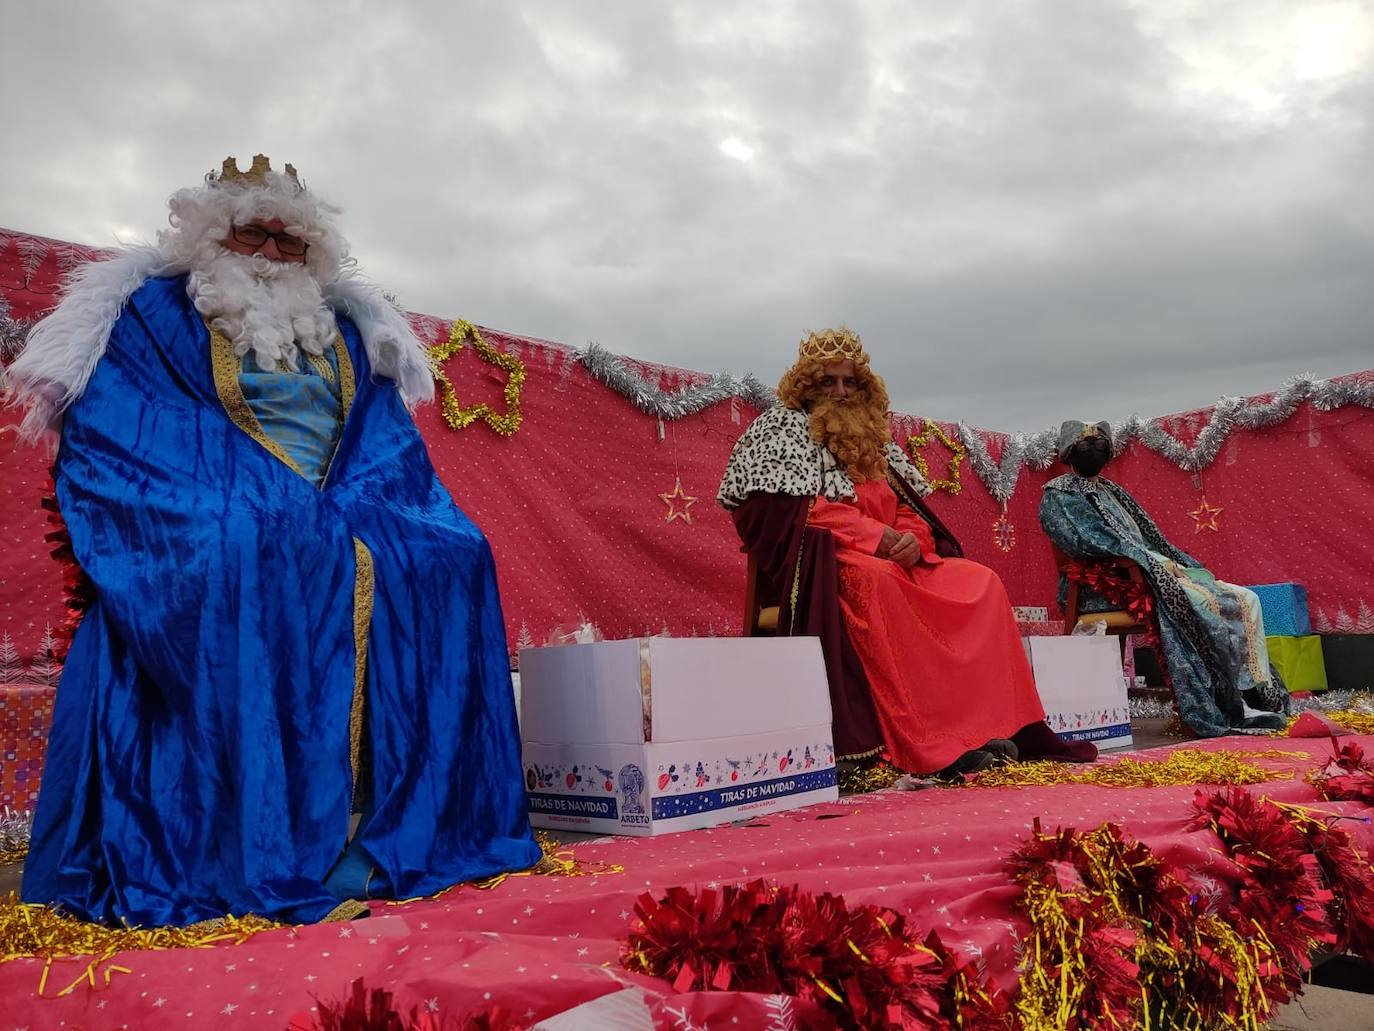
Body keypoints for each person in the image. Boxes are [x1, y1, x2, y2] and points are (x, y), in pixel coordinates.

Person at [1, 155, 540, 927]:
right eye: (254, 235)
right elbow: (130, 429)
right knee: (252, 544)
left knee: (452, 552)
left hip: (347, 498)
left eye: (290, 245)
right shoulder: (152, 313)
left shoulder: (348, 332)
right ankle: (257, 844)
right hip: (202, 500)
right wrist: (270, 499)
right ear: (212, 235)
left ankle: (404, 828)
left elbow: (381, 442)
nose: (271, 256)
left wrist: (352, 504)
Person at [718, 328, 1096, 777]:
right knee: (881, 584)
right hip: (837, 559)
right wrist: (874, 538)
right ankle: (925, 743)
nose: (840, 392)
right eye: (828, 382)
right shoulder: (780, 428)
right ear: (807, 386)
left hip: (899, 557)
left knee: (981, 583)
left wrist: (913, 539)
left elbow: (908, 505)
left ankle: (995, 727)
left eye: (849, 381)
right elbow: (798, 512)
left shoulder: (874, 438)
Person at [1040, 421, 1288, 736]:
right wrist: (1150, 563)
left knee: (1246, 599)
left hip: (1151, 570)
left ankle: (1254, 694)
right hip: (1108, 585)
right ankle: (1225, 702)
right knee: (1199, 603)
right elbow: (1089, 542)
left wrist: (1170, 562)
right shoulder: (1057, 494)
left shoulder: (1112, 489)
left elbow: (1150, 537)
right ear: (1070, 454)